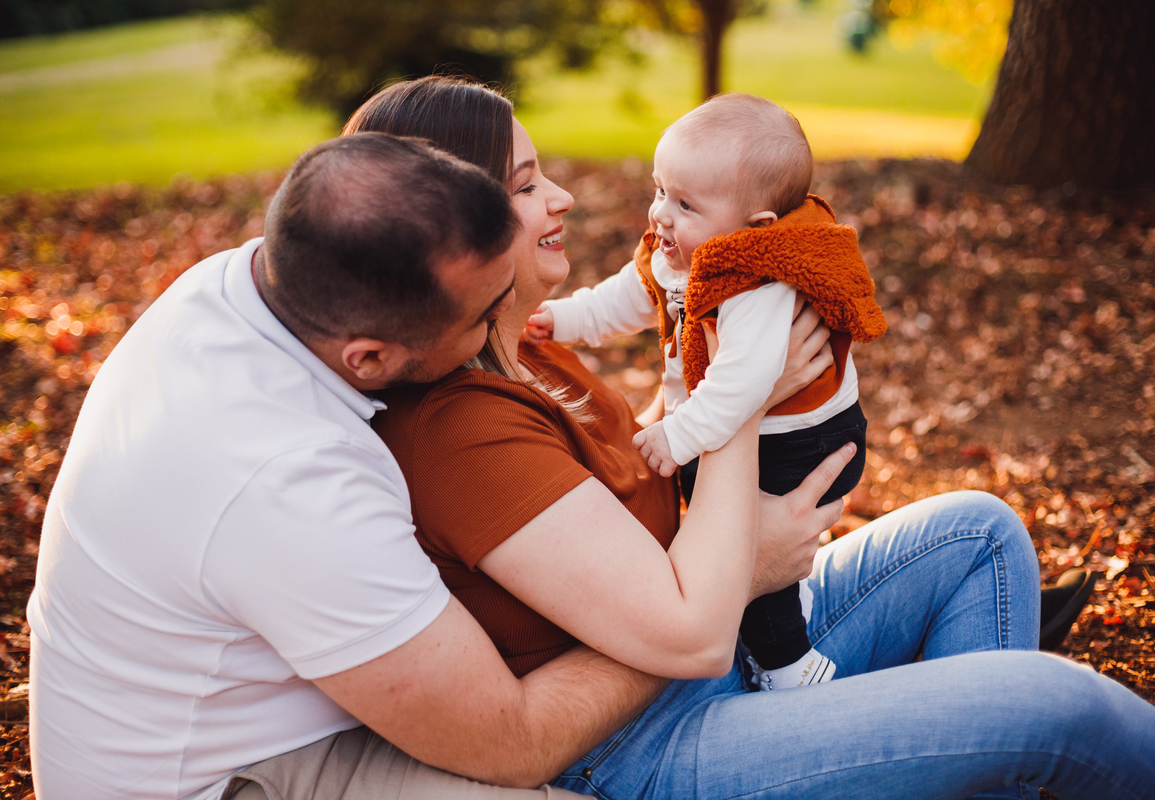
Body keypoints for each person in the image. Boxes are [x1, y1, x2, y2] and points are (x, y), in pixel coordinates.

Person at [358, 75, 1155, 800]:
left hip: (716, 639)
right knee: (1058, 708)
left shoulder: (532, 351)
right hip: (650, 739)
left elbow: (620, 481)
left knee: (979, 533)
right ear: (454, 230)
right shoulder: (459, 432)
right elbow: (685, 629)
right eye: (526, 185)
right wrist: (745, 399)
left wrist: (711, 411)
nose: (564, 199)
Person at [26, 133, 828, 800]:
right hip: (222, 778)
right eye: (484, 320)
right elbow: (513, 741)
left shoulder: (263, 280)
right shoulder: (289, 480)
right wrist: (733, 582)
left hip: (282, 705)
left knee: (959, 534)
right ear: (369, 357)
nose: (507, 338)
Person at [524, 93, 888, 690]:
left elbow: (746, 380)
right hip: (743, 424)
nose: (660, 214)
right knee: (722, 526)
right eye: (660, 189)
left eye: (685, 203)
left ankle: (789, 668)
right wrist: (564, 320)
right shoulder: (684, 252)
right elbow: (629, 295)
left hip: (798, 443)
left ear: (755, 228)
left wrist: (682, 432)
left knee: (742, 539)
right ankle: (774, 619)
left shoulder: (756, 284)